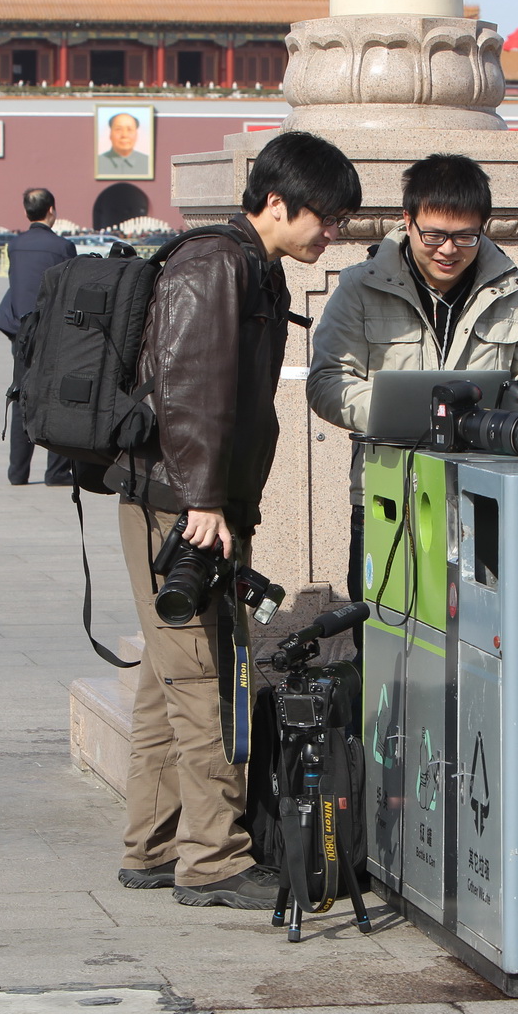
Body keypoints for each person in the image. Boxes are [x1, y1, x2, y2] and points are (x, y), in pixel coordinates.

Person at [105, 130, 362, 909]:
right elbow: (190, 388)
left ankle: (152, 843)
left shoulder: (254, 265)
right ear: (276, 202)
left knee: (165, 672)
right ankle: (212, 859)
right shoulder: (215, 264)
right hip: (183, 507)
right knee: (203, 677)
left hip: (193, 501)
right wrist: (204, 503)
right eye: (327, 217)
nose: (334, 234)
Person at [306, 153, 518, 655]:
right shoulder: (360, 286)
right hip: (386, 494)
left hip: (480, 495)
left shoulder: (514, 290)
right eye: (433, 235)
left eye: (465, 236)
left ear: (484, 229)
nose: (449, 250)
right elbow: (326, 383)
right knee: (384, 643)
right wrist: (404, 412)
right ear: (406, 221)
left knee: (476, 643)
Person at [0, 187, 77, 486]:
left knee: (22, 398)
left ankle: (17, 472)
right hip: (53, 335)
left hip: (21, 334)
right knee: (58, 399)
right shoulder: (63, 247)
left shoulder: (15, 245)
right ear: (51, 210)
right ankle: (56, 471)